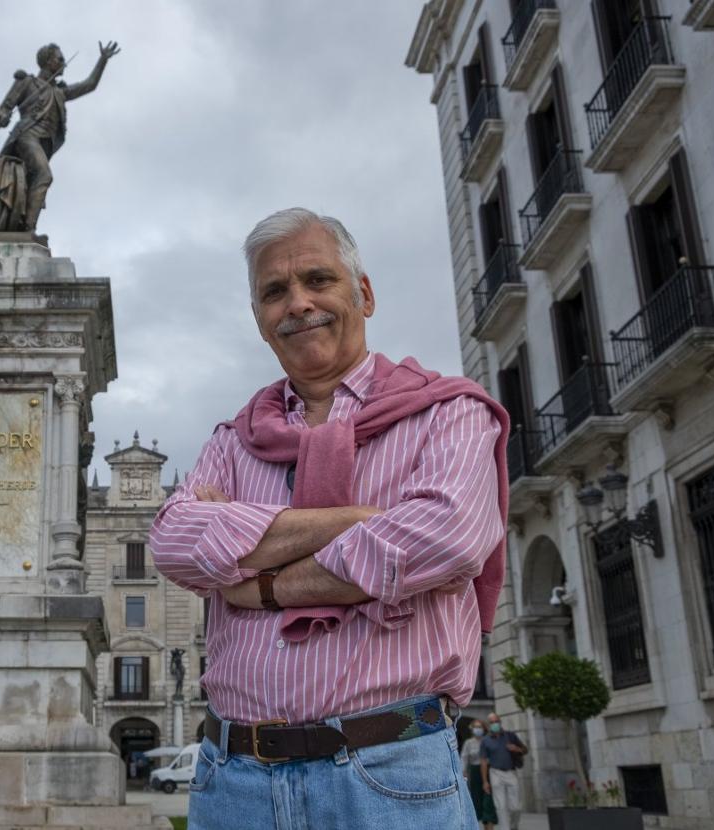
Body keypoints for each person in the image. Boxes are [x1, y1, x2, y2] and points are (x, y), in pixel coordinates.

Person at [150, 208, 509, 829]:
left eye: (319, 280)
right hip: (233, 779)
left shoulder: (447, 413)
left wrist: (259, 582)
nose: (298, 303)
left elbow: (445, 539)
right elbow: (175, 543)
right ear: (260, 319)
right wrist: (363, 520)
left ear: (363, 294)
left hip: (390, 774)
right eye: (274, 292)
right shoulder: (234, 439)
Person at [0, 40, 120, 229]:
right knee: (44, 174)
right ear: (48, 61)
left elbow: (90, 85)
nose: (64, 63)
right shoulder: (27, 82)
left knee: (33, 182)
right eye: (60, 59)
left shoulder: (60, 91)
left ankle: (20, 225)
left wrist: (103, 60)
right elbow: (5, 108)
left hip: (45, 144)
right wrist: (2, 117)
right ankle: (29, 229)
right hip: (27, 135)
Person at [480, 712, 528, 830]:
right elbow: (483, 762)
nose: (495, 724)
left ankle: (513, 827)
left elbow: (525, 750)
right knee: (500, 806)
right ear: (488, 725)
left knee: (515, 807)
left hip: (511, 773)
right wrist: (485, 781)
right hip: (495, 773)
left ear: (500, 722)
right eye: (492, 722)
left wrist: (516, 748)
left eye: (496, 721)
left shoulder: (510, 736)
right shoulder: (485, 741)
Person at [460, 720, 498, 830]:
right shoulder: (469, 743)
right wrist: (463, 771)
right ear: (472, 729)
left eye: (480, 727)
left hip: (489, 771)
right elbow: (464, 757)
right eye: (476, 727)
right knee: (476, 798)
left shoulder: (487, 740)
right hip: (474, 771)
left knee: (488, 798)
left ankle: (489, 822)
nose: (478, 729)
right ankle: (477, 822)